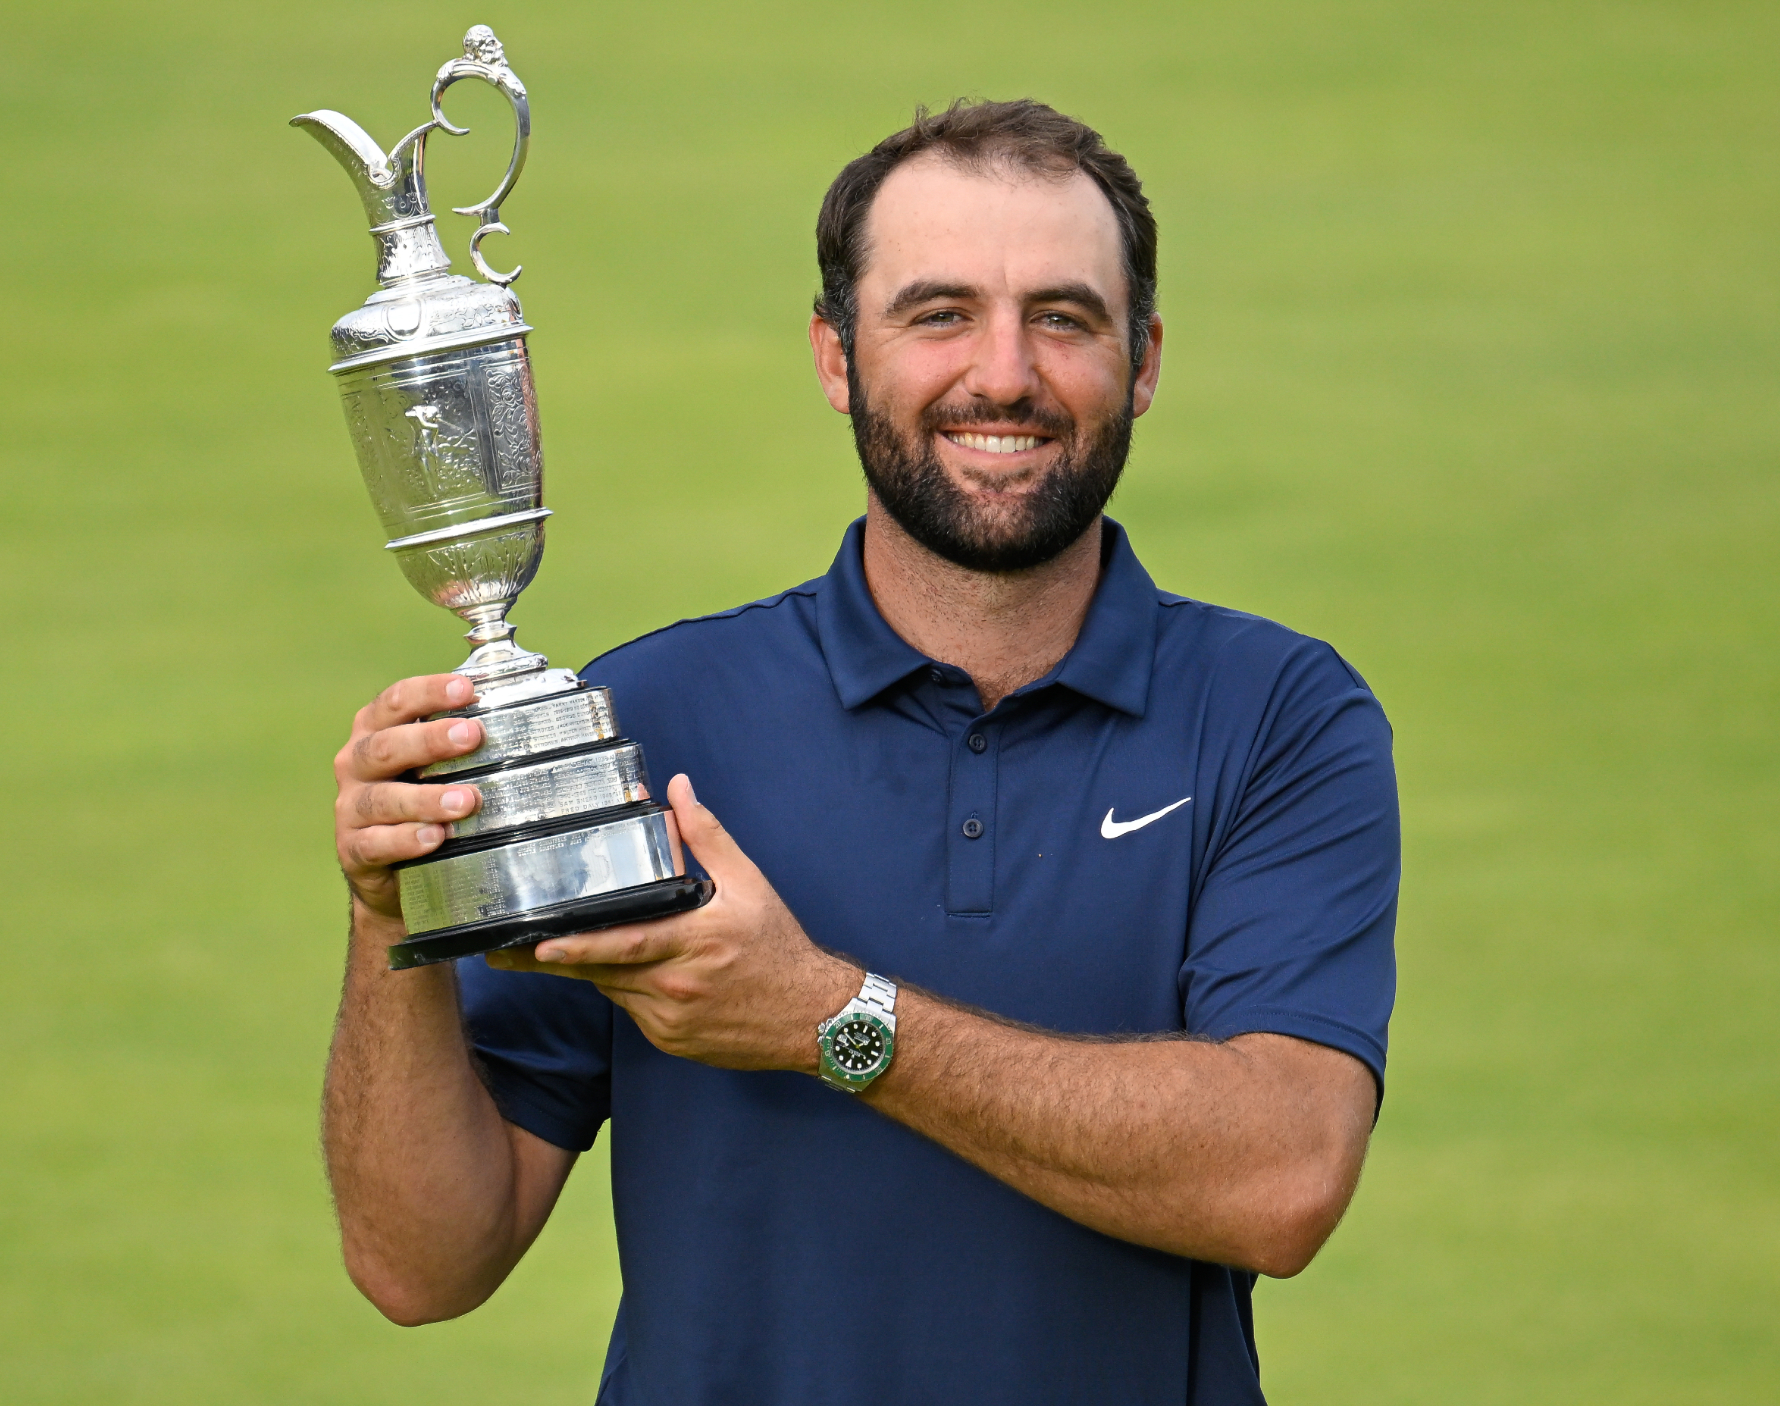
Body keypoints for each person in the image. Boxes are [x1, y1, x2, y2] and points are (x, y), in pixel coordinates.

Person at [321, 98, 1400, 1405]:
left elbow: (1283, 1176)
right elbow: (422, 1260)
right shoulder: (647, 716)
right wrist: (391, 915)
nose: (1004, 374)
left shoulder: (1279, 716)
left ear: (1146, 360)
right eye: (939, 314)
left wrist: (831, 1017)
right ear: (837, 356)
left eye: (1063, 318)